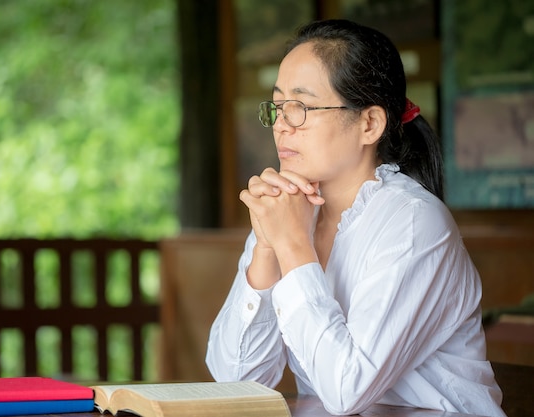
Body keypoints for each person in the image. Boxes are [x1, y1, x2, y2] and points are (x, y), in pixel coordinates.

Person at [205, 19, 505, 417]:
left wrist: (292, 246)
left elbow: (348, 390)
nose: (280, 124)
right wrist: (266, 247)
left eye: (300, 107)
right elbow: (236, 382)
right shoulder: (289, 213)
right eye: (277, 106)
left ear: (369, 124)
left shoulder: (413, 223)